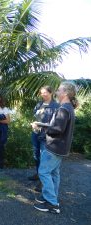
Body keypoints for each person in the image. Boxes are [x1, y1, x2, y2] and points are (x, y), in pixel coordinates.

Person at [32, 82, 78, 214]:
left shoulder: (64, 109)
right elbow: (58, 127)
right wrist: (45, 125)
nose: (57, 92)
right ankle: (52, 198)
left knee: (44, 172)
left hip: (54, 147)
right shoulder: (68, 108)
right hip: (61, 148)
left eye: (59, 90)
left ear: (65, 93)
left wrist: (40, 127)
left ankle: (52, 204)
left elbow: (56, 129)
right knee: (54, 173)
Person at [28, 86, 59, 186]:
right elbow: (35, 117)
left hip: (46, 136)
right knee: (36, 155)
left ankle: (43, 181)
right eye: (41, 93)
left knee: (43, 157)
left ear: (51, 93)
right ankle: (38, 174)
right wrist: (33, 124)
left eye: (45, 92)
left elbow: (55, 123)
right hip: (36, 133)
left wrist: (41, 125)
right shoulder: (39, 104)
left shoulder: (56, 106)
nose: (43, 94)